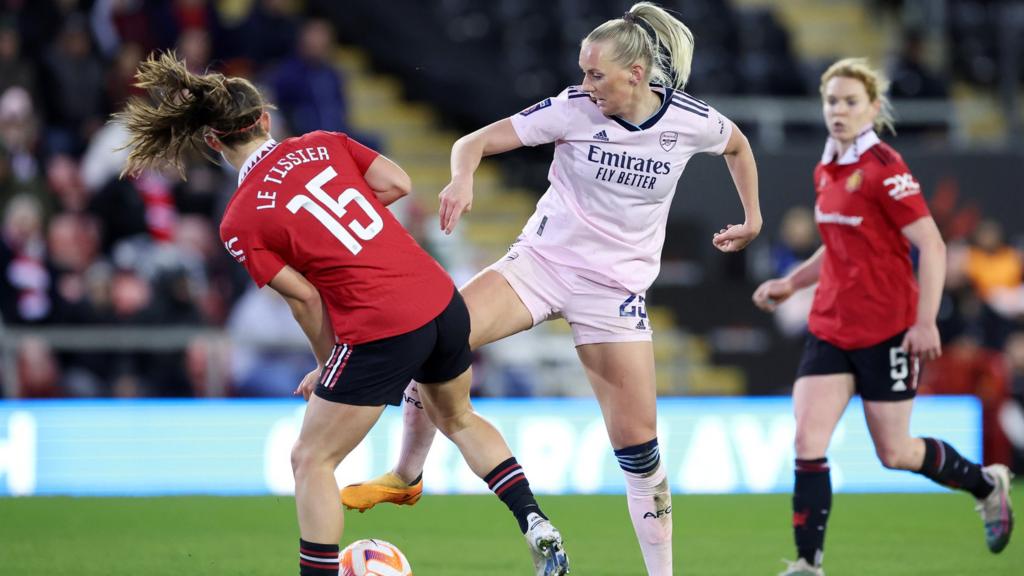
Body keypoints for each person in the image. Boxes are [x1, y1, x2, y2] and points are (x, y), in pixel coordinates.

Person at [341, 3, 762, 575]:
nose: (587, 86)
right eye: (584, 72)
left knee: (640, 454)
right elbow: (473, 141)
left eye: (597, 75)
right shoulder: (571, 109)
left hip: (614, 290)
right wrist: (461, 179)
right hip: (540, 265)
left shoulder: (690, 121)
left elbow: (737, 145)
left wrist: (753, 216)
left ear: (636, 75)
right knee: (435, 336)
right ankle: (406, 475)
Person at [113, 52, 569, 576]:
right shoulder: (322, 143)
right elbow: (398, 184)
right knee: (459, 417)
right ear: (264, 118)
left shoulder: (240, 220)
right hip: (441, 301)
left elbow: (304, 298)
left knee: (311, 460)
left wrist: (329, 362)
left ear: (213, 141)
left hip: (382, 327)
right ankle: (535, 521)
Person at [752, 57, 1014, 576]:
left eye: (850, 102)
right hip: (830, 327)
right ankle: (808, 563)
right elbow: (837, 243)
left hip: (887, 332)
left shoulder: (885, 169)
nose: (838, 111)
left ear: (873, 108)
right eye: (831, 101)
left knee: (894, 453)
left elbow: (933, 246)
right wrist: (791, 282)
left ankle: (986, 485)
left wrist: (926, 321)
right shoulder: (828, 165)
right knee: (807, 440)